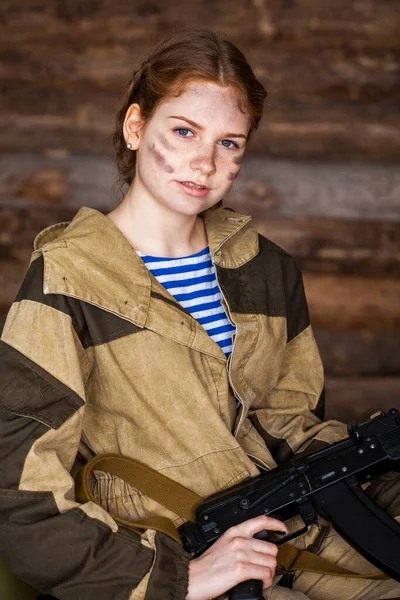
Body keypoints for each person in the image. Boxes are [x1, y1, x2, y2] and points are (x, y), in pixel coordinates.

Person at [0, 28, 399, 600]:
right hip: (169, 558)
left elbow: (290, 424)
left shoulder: (264, 268)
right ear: (135, 127)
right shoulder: (66, 282)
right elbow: (22, 497)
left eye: (230, 143)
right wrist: (180, 577)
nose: (205, 162)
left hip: (299, 533)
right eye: (184, 131)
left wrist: (380, 478)